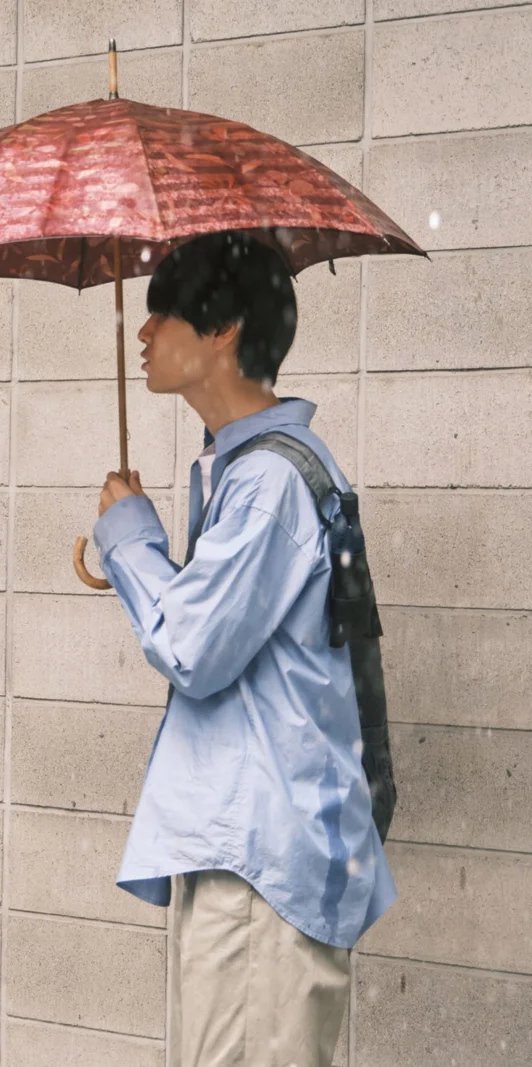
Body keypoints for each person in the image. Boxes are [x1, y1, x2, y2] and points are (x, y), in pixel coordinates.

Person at [92, 233, 394, 1067]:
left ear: (222, 329)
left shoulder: (267, 485)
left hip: (262, 862)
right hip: (252, 849)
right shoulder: (255, 472)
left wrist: (128, 538)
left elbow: (192, 645)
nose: (144, 334)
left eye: (164, 313)